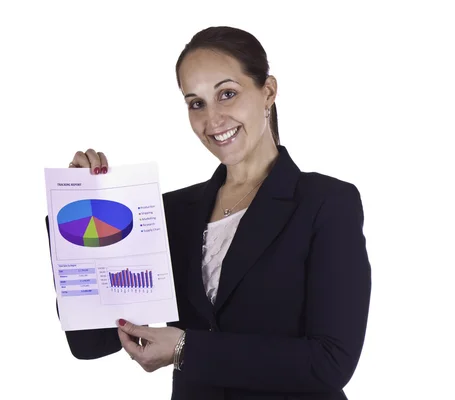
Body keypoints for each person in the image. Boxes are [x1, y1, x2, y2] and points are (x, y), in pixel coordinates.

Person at [47, 26, 372, 400]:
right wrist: (79, 213)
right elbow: (92, 342)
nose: (212, 119)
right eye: (196, 103)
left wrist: (187, 348)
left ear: (267, 92)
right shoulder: (170, 213)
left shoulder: (326, 202)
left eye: (227, 94)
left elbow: (330, 362)